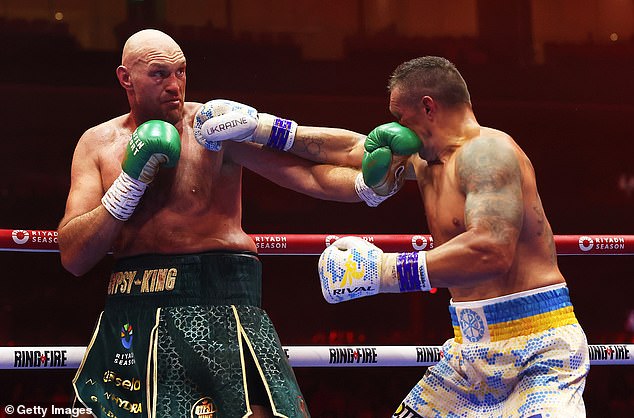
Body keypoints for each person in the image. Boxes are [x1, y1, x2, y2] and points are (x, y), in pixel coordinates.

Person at [57, 28, 407, 418]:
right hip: (131, 307)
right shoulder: (97, 143)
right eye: (159, 74)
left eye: (181, 71)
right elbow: (74, 255)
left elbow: (308, 175)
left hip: (219, 301)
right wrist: (129, 183)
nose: (175, 85)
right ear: (126, 78)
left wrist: (366, 186)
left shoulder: (213, 128)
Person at [318, 56, 590, 417]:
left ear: (428, 106)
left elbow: (491, 250)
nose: (399, 130)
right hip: (469, 354)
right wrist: (263, 131)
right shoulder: (427, 162)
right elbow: (348, 149)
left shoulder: (487, 152)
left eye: (402, 118)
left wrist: (382, 271)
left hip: (538, 351)